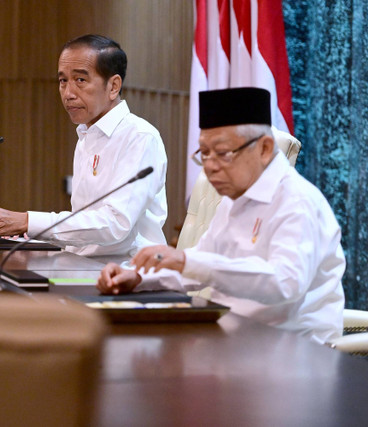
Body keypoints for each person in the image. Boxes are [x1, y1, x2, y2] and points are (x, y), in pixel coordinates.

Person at [97, 87, 346, 344]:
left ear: (264, 148)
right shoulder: (234, 198)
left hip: (291, 350)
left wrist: (185, 261)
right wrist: (139, 277)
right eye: (204, 153)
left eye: (223, 153)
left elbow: (284, 283)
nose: (211, 166)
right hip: (230, 335)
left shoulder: (297, 201)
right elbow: (202, 262)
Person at [0, 34, 168, 260]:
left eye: (80, 80)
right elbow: (83, 221)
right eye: (63, 81)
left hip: (124, 272)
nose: (69, 93)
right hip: (79, 263)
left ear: (113, 86)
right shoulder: (87, 133)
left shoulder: (140, 137)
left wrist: (27, 222)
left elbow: (115, 224)